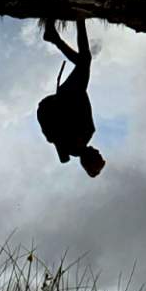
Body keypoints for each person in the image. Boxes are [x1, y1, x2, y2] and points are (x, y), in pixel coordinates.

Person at [35, 18, 104, 178]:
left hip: (68, 97)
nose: (99, 151)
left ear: (90, 159)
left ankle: (79, 19)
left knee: (85, 60)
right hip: (64, 98)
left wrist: (78, 89)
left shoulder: (85, 135)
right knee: (84, 61)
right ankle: (55, 37)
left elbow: (81, 106)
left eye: (98, 156)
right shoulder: (71, 146)